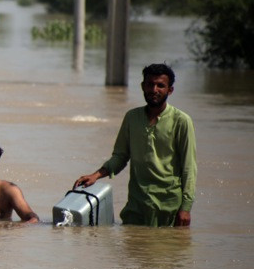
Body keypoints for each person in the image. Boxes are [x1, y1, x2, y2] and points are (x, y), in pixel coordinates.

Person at [74, 63, 196, 227]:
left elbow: (189, 167)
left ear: (170, 90)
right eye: (150, 84)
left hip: (169, 207)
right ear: (142, 86)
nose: (154, 90)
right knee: (134, 249)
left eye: (160, 85)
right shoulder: (132, 117)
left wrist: (186, 208)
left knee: (167, 251)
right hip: (137, 205)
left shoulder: (182, 121)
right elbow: (120, 157)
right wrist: (95, 175)